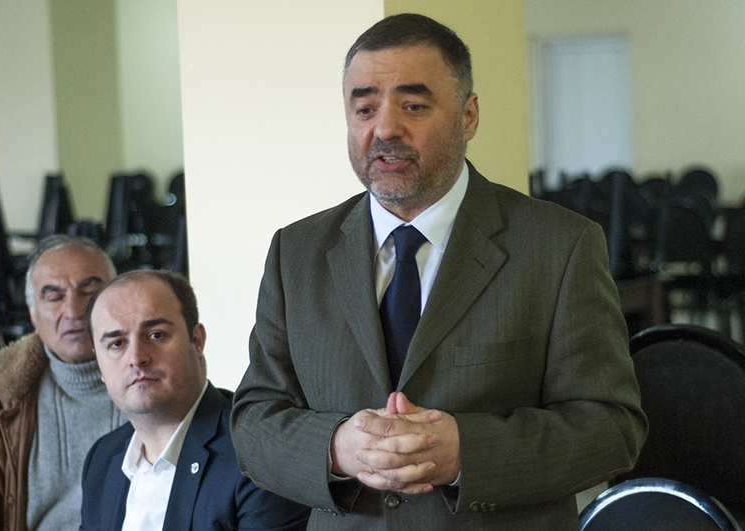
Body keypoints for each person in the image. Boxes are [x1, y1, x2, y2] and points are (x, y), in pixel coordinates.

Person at [230, 13, 648, 530]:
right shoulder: (296, 252)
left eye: (413, 106)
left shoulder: (559, 246)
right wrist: (335, 448)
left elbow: (612, 428)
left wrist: (466, 453)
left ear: (468, 116)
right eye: (364, 108)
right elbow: (254, 419)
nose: (385, 129)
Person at [80, 270, 310, 531]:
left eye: (156, 335)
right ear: (98, 363)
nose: (136, 357)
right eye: (116, 343)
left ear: (197, 340)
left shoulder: (257, 452)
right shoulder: (101, 459)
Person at [0, 235, 125, 531]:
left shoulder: (159, 384)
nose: (74, 311)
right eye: (54, 297)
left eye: (90, 292)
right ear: (32, 313)